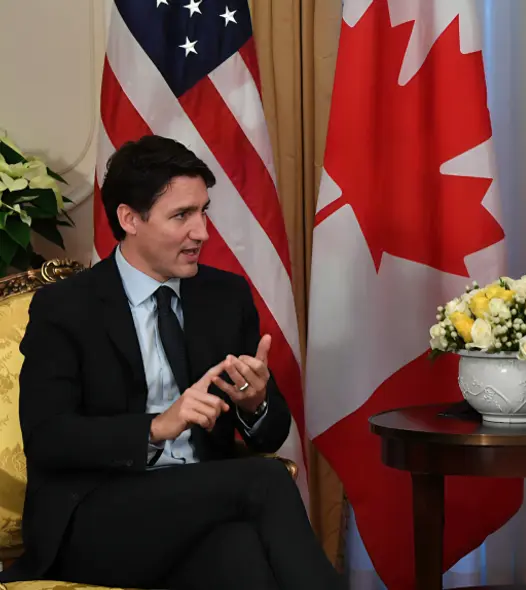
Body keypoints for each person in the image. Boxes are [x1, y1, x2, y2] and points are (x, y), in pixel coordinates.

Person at [4, 135, 343, 589]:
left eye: (203, 211)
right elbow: (48, 437)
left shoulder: (225, 296)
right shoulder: (65, 308)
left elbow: (271, 430)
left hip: (200, 505)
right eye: (182, 215)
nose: (201, 231)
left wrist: (254, 403)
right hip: (97, 517)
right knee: (263, 480)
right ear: (129, 219)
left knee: (240, 556)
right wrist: (155, 428)